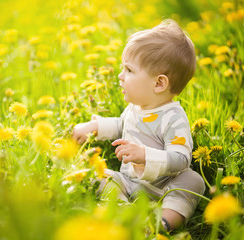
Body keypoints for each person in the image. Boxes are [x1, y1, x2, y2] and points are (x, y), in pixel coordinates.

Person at [72, 19, 205, 232]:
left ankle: (162, 221)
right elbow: (119, 125)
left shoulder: (174, 117)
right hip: (128, 181)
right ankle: (121, 208)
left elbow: (181, 159)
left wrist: (145, 155)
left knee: (193, 180)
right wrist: (93, 127)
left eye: (129, 70)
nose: (120, 76)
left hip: (165, 187)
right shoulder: (135, 108)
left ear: (159, 83)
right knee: (99, 174)